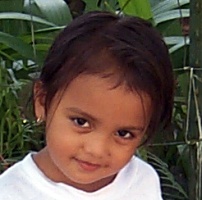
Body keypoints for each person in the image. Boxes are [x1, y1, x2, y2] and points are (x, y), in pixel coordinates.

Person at [0, 11, 174, 200]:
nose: (96, 150)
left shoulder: (142, 181)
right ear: (43, 101)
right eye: (81, 122)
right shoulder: (11, 192)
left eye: (123, 134)